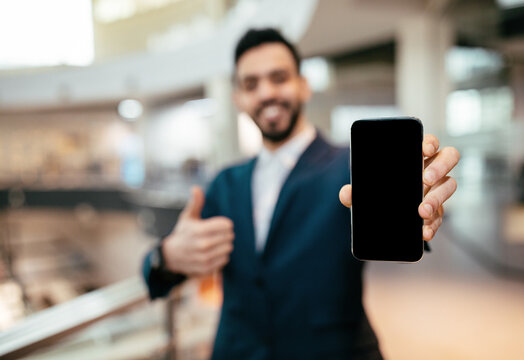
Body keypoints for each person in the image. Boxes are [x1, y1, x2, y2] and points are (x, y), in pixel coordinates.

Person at [142, 28, 460, 359]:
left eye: (278, 78)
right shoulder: (225, 183)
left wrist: (422, 202)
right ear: (238, 98)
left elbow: (405, 221)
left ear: (303, 86)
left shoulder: (351, 167)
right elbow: (164, 268)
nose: (266, 92)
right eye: (251, 84)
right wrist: (166, 256)